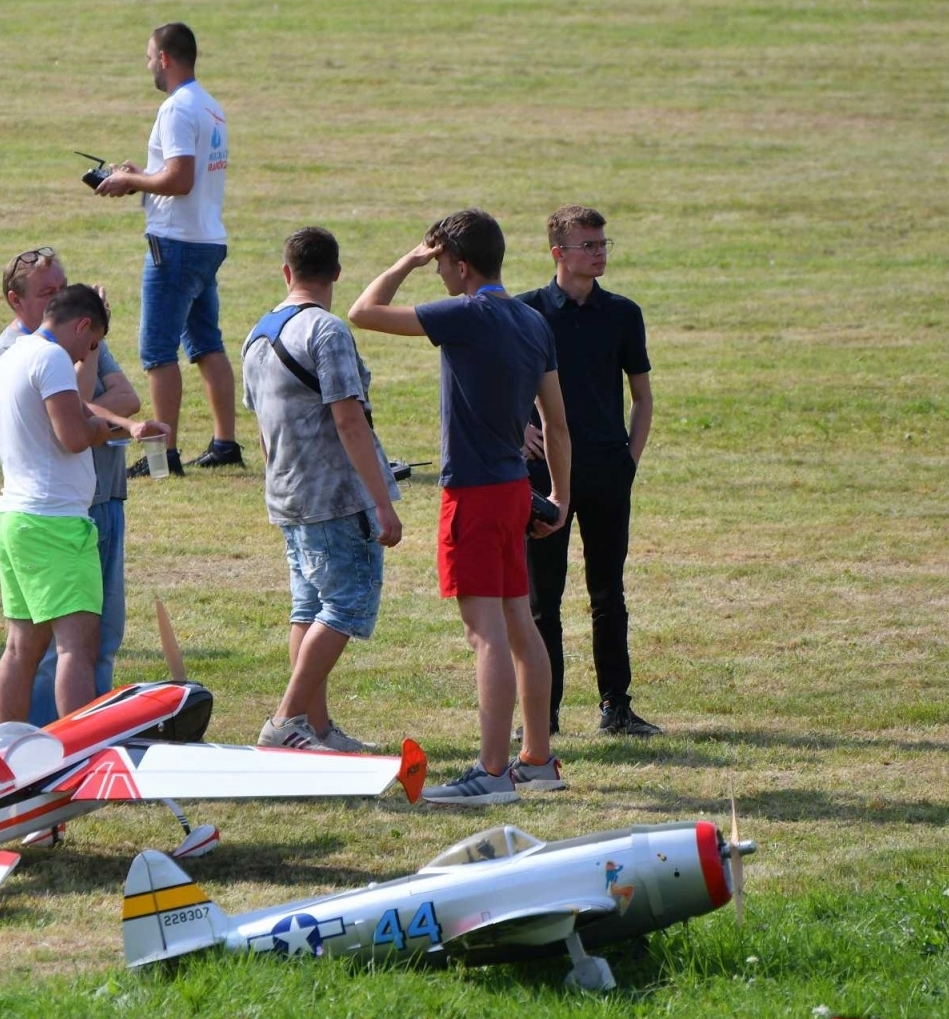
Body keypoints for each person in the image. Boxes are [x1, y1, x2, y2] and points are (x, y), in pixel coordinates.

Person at [347, 209, 571, 806]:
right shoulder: (531, 319)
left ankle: (492, 773)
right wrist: (560, 499)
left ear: (461, 264)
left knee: (486, 635)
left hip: (471, 493)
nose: (437, 271)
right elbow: (556, 424)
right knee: (521, 625)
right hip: (514, 492)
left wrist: (407, 260)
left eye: (442, 263)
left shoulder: (465, 313)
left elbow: (362, 312)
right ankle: (537, 758)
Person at [0, 247, 165, 725]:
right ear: (83, 326)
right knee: (76, 647)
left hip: (14, 517)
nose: (89, 355)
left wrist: (113, 423)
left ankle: (7, 749)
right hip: (55, 521)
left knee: (21, 648)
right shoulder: (53, 359)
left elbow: (73, 418)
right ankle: (78, 758)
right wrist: (107, 431)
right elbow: (73, 436)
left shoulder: (10, 357)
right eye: (92, 344)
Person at [244, 227, 402, 753]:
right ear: (336, 273)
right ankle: (287, 719)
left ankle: (315, 728)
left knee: (308, 608)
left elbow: (264, 431)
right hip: (336, 496)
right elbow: (349, 421)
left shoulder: (257, 335)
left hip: (286, 492)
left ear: (286, 272)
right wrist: (381, 501)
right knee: (343, 606)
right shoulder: (327, 332)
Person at [519, 205, 659, 737]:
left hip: (606, 471)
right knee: (541, 600)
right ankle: (544, 714)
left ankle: (616, 707)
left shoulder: (623, 314)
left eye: (603, 244)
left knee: (609, 593)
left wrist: (630, 459)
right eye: (589, 246)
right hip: (541, 477)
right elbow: (493, 382)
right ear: (559, 253)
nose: (599, 253)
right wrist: (515, 430)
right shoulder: (528, 312)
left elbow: (642, 396)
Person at [95, 21, 241, 476]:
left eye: (148, 57)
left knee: (157, 351)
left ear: (164, 58)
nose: (147, 66)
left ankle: (164, 456)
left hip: (174, 244)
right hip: (205, 238)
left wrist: (127, 180)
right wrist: (143, 175)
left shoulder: (176, 108)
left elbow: (180, 179)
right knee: (205, 343)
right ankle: (225, 443)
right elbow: (179, 175)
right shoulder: (210, 106)